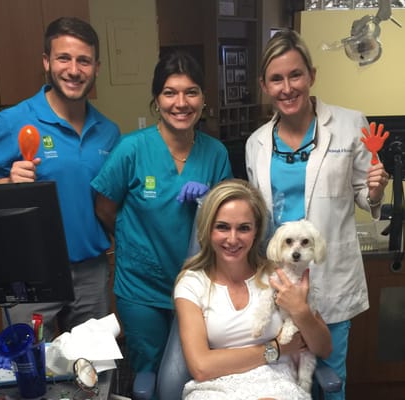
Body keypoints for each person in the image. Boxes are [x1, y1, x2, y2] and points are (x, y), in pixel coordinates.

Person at [245, 29, 389, 399]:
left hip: (330, 276)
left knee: (329, 378)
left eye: (295, 75)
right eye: (276, 79)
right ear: (264, 84)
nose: (287, 87)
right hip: (278, 277)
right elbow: (260, 216)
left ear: (312, 75)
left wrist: (374, 190)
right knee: (282, 378)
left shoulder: (348, 124)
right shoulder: (256, 143)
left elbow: (362, 194)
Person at [0, 17, 120, 340]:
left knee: (95, 368)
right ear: (46, 62)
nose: (74, 70)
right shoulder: (15, 121)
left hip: (91, 269)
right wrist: (7, 184)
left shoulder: (109, 132)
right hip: (30, 273)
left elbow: (111, 202)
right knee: (31, 368)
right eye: (64, 58)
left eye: (83, 60)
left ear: (96, 68)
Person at [91, 50, 233, 374]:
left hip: (200, 287)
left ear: (203, 98)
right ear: (157, 99)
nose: (180, 103)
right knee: (150, 372)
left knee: (196, 373)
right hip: (143, 289)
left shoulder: (215, 153)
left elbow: (228, 220)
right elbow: (104, 207)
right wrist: (135, 243)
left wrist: (210, 199)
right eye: (170, 92)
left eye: (191, 92)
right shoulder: (132, 149)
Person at [174, 179, 332, 400]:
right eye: (222, 227)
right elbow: (201, 366)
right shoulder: (192, 284)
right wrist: (276, 349)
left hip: (277, 384)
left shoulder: (279, 276)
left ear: (257, 232)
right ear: (207, 230)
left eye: (244, 228)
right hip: (215, 387)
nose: (232, 238)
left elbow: (323, 348)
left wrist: (301, 312)